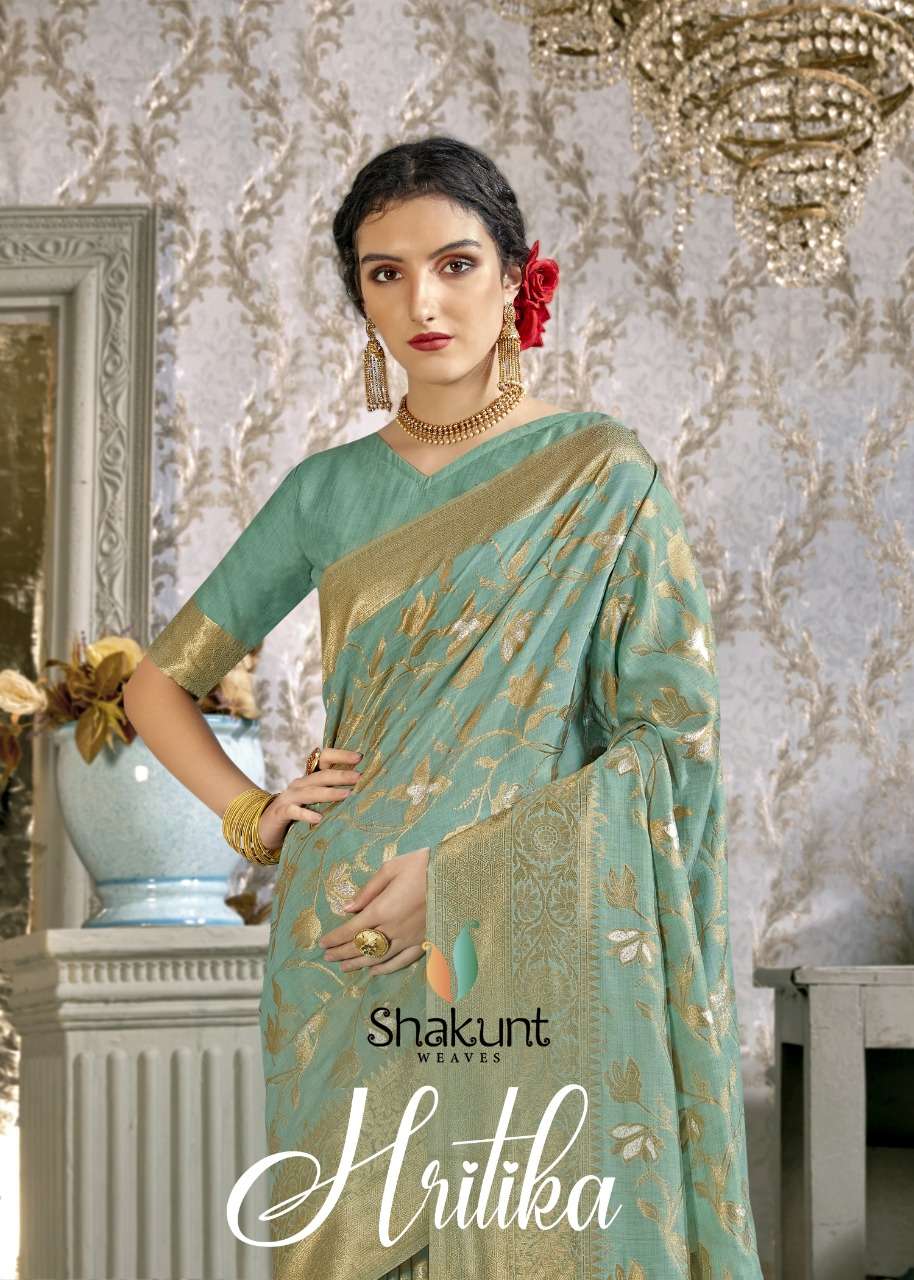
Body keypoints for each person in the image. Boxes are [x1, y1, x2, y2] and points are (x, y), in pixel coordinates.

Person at [124, 135, 763, 1280]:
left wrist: (467, 876)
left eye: (454, 263)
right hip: (349, 947)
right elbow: (154, 681)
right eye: (385, 272)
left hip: (537, 935)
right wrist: (254, 813)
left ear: (514, 276)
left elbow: (670, 737)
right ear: (359, 295)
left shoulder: (600, 473)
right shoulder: (324, 492)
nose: (422, 301)